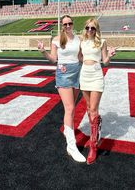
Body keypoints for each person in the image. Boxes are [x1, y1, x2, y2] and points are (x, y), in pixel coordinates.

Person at [37, 15, 86, 163]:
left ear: (73, 24)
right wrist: (43, 51)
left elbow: (81, 57)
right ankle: (71, 146)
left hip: (77, 72)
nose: (68, 26)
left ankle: (68, 129)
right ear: (61, 26)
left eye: (70, 23)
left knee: (72, 108)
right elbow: (53, 59)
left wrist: (94, 58)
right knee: (70, 108)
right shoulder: (57, 40)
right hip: (63, 73)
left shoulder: (79, 39)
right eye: (65, 24)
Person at [80, 18, 116, 165]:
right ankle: (96, 127)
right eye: (88, 28)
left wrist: (110, 56)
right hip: (84, 75)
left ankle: (93, 145)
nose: (89, 30)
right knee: (88, 109)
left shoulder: (102, 41)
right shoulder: (81, 42)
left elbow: (105, 61)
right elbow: (79, 58)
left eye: (92, 28)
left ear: (96, 30)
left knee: (93, 109)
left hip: (96, 75)